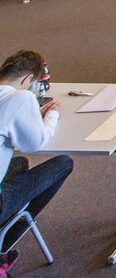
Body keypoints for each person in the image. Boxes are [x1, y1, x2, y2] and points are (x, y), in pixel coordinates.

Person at [0, 50, 74, 274]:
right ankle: (3, 246)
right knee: (63, 163)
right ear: (26, 80)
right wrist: (52, 116)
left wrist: (31, 117)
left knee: (20, 163)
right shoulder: (20, 97)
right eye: (32, 85)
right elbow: (35, 143)